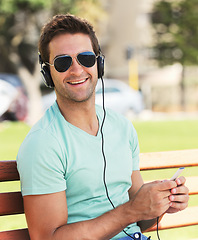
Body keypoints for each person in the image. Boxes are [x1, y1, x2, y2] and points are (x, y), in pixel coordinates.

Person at [17, 14, 189, 240]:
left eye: (86, 58)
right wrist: (131, 210)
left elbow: (139, 219)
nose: (77, 70)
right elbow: (47, 238)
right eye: (62, 62)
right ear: (48, 73)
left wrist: (162, 203)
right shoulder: (43, 144)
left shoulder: (122, 128)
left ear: (99, 64)